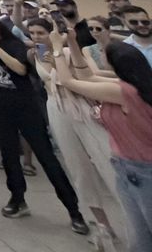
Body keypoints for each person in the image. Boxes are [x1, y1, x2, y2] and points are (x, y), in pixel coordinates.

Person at [0, 11, 86, 231]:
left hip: (24, 106)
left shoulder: (13, 43)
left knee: (46, 155)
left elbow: (20, 68)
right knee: (9, 155)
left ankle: (73, 209)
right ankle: (17, 198)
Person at [51, 34, 152, 252]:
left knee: (144, 232)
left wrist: (58, 48)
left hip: (142, 171)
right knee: (140, 235)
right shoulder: (132, 84)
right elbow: (88, 76)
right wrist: (73, 43)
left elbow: (69, 82)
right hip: (128, 167)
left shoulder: (122, 92)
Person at [29, 17, 120, 234]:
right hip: (56, 108)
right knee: (77, 166)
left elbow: (82, 76)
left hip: (80, 106)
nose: (35, 37)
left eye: (40, 33)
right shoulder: (38, 54)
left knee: (107, 158)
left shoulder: (69, 52)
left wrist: (65, 46)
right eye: (32, 33)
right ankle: (101, 223)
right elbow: (48, 77)